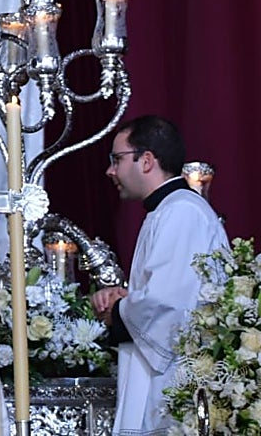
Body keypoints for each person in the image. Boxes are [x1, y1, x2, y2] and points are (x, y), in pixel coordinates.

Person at [90, 115, 228, 436]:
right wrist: (127, 299)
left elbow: (168, 303)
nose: (110, 170)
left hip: (176, 380)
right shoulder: (167, 210)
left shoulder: (182, 211)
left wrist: (118, 311)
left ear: (147, 160)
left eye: (117, 159)